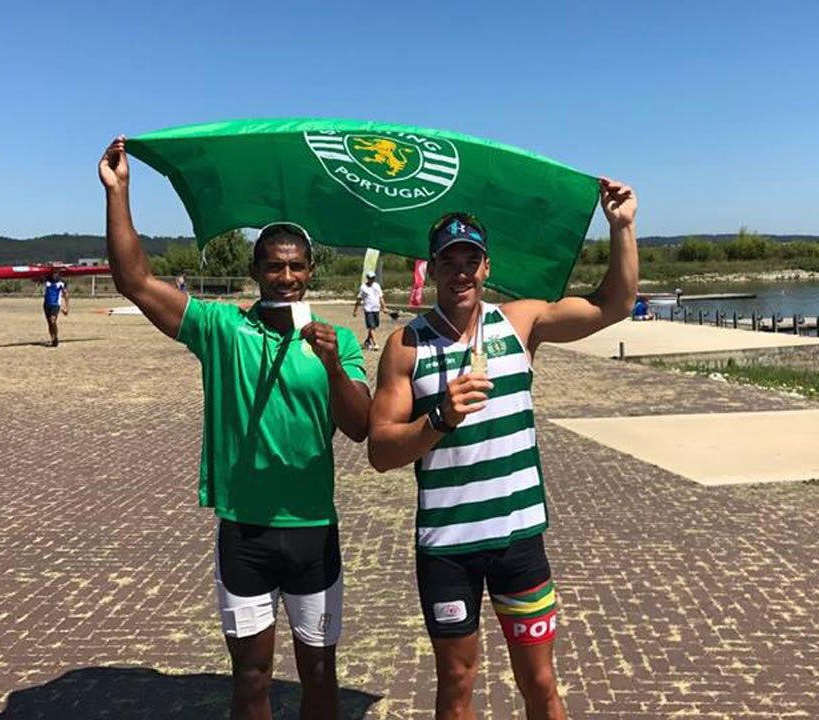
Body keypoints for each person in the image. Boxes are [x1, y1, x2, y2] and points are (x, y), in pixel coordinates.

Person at [99, 136, 371, 720]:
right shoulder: (222, 329)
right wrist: (118, 192)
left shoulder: (339, 340)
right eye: (274, 265)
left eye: (296, 266)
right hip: (244, 533)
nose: (286, 276)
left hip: (312, 531)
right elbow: (135, 281)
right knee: (250, 679)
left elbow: (360, 427)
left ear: (310, 270)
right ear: (255, 271)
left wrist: (330, 365)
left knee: (319, 674)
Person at [367, 178, 638, 719]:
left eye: (471, 260)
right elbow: (381, 451)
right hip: (447, 547)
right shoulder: (406, 344)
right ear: (432, 269)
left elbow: (614, 304)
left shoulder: (520, 322)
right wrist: (438, 419)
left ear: (487, 267)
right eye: (449, 261)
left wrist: (622, 227)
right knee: (456, 684)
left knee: (540, 682)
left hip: (519, 541)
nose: (461, 272)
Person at [353, 271, 386, 350]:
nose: (372, 279)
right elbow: (359, 299)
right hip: (368, 310)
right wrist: (355, 310)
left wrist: (384, 307)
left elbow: (381, 297)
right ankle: (375, 344)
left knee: (374, 327)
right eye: (370, 278)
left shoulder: (377, 286)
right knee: (371, 326)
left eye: (373, 278)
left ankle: (367, 342)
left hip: (376, 309)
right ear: (367, 278)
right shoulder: (363, 287)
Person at [42, 269, 68, 347]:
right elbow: (34, 280)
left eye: (56, 273)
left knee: (53, 320)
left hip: (55, 305)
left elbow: (66, 295)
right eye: (53, 273)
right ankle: (53, 339)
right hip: (46, 304)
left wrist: (66, 307)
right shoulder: (47, 280)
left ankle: (55, 338)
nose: (54, 275)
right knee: (49, 323)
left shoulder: (62, 283)